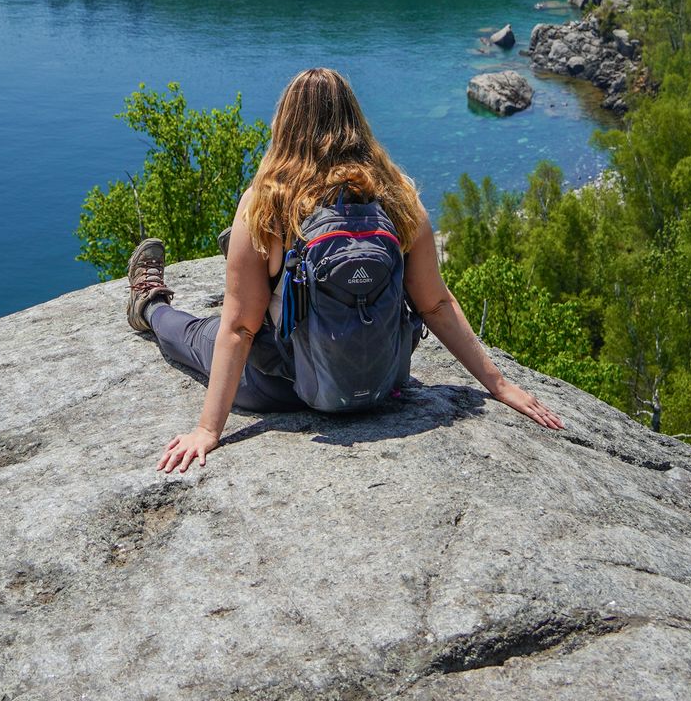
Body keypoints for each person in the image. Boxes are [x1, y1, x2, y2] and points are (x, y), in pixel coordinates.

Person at [125, 66, 565, 472]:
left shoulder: (266, 201)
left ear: (286, 122)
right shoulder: (398, 197)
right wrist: (499, 385)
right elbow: (435, 304)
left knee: (200, 331)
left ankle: (149, 304)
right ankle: (259, 264)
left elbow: (240, 328)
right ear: (355, 120)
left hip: (282, 388)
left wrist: (207, 430)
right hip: (380, 380)